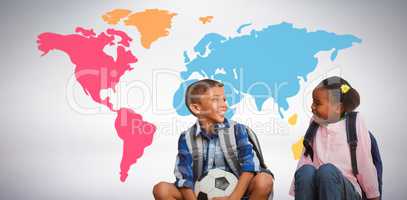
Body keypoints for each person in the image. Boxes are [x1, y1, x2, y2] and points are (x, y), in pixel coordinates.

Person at [153, 79, 274, 200]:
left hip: (239, 193)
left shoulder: (238, 130)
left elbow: (250, 166)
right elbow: (184, 178)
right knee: (161, 189)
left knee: (264, 180)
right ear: (196, 108)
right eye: (216, 100)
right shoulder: (186, 138)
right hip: (200, 194)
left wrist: (233, 198)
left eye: (224, 99)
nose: (224, 105)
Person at [289, 76, 380, 200]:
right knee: (305, 171)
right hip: (318, 191)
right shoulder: (314, 124)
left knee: (327, 171)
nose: (312, 107)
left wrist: (374, 196)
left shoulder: (354, 123)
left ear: (338, 107)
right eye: (313, 102)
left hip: (347, 191)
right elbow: (305, 159)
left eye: (317, 103)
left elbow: (365, 163)